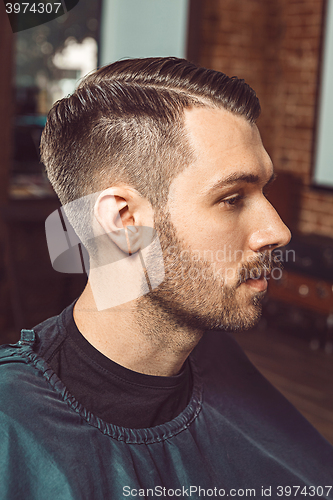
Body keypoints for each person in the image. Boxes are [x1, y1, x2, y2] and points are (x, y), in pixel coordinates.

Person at [0, 57, 332, 499]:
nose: (278, 231)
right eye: (232, 198)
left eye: (264, 191)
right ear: (123, 223)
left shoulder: (220, 361)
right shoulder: (12, 429)